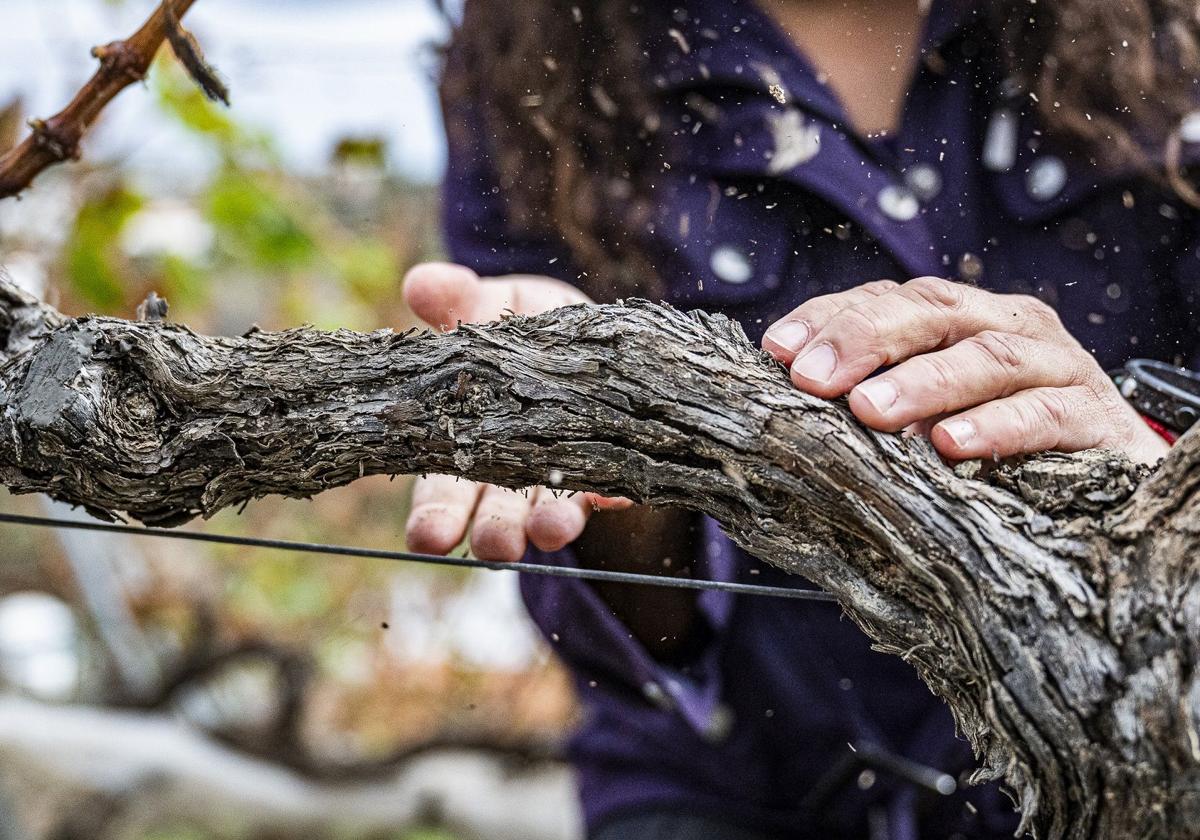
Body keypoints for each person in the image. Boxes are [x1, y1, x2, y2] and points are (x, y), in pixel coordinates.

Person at [403, 1, 1200, 837]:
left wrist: (1151, 467)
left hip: (1135, 741)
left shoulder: (1172, 35)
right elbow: (635, 634)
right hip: (730, 787)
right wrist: (611, 460)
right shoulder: (538, 48)